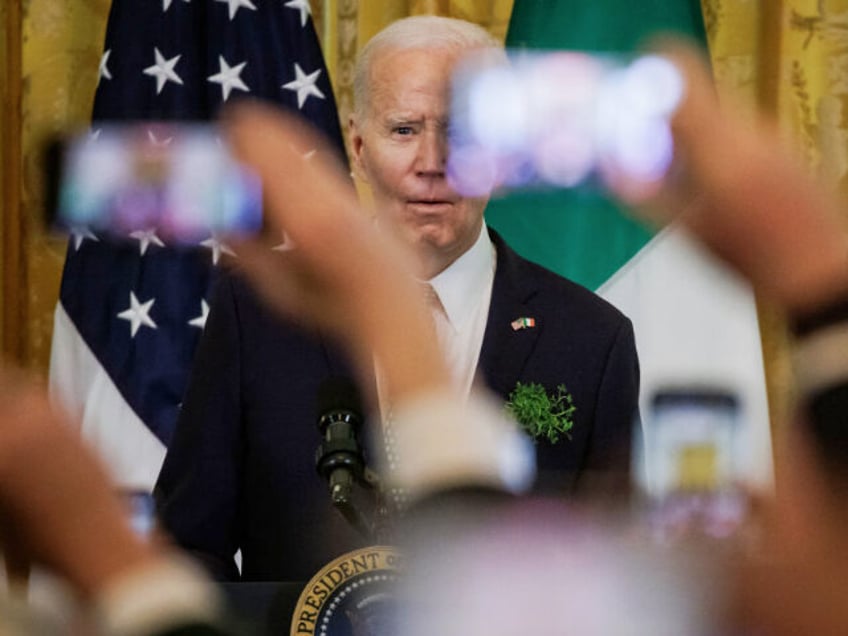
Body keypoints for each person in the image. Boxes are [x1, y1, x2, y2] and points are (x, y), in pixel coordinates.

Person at [155, 15, 640, 582]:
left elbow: (611, 580)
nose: (432, 163)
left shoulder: (591, 340)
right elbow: (189, 548)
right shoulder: (256, 310)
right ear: (358, 147)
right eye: (405, 130)